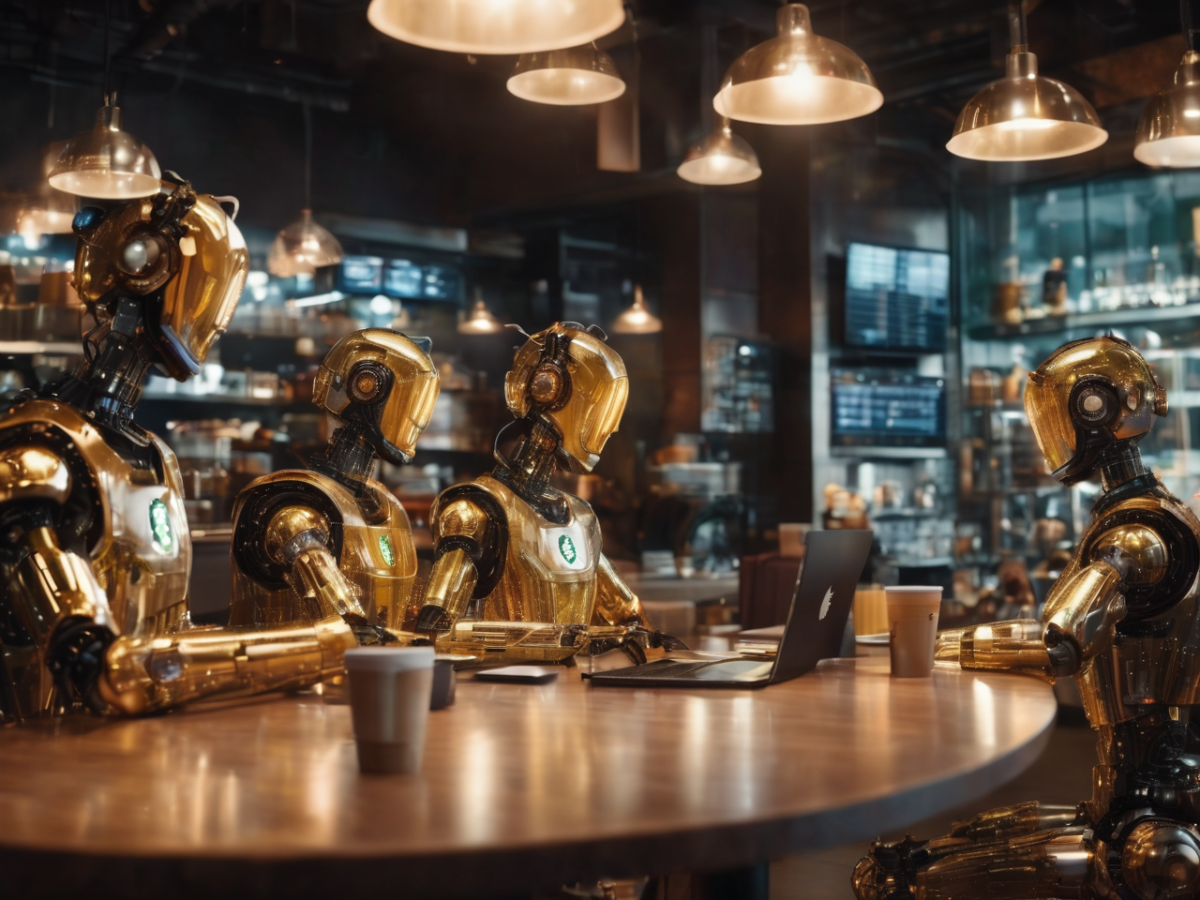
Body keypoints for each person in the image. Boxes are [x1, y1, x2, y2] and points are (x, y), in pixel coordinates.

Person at [852, 335, 1200, 900]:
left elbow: (1059, 644)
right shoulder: (1151, 511)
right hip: (1126, 797)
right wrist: (923, 644)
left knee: (895, 879)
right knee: (936, 852)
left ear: (1093, 409)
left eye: (1058, 415)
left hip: (1145, 826)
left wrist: (931, 648)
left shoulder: (1136, 535)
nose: (1048, 434)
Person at [0, 179, 352, 719]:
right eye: (205, 283)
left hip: (145, 747)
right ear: (144, 265)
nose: (214, 314)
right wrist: (322, 650)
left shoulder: (155, 455)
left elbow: (170, 630)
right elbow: (103, 669)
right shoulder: (38, 452)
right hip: (44, 750)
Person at [413, 322, 678, 664]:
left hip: (572, 688)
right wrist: (565, 642)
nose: (609, 427)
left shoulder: (580, 516)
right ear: (550, 391)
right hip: (500, 690)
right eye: (598, 409)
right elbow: (434, 632)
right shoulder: (475, 511)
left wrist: (658, 650)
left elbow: (627, 614)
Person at [228, 329, 439, 641]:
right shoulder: (295, 506)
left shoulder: (386, 504)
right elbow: (347, 621)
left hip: (376, 667)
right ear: (367, 386)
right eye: (407, 399)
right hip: (294, 668)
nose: (413, 416)